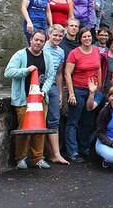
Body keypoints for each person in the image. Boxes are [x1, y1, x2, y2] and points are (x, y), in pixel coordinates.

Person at [4, 30, 56, 169]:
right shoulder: (20, 55)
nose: (38, 43)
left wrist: (44, 91)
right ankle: (20, 158)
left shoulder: (48, 56)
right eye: (36, 40)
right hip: (23, 99)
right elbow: (8, 72)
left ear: (44, 43)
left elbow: (51, 76)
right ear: (31, 39)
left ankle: (37, 158)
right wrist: (26, 70)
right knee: (23, 129)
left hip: (40, 100)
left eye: (41, 41)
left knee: (39, 129)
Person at [64, 28, 101, 162]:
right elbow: (67, 74)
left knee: (87, 121)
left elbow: (98, 68)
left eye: (89, 36)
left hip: (92, 90)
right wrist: (71, 93)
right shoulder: (74, 53)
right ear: (80, 39)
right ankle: (72, 152)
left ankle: (84, 148)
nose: (87, 39)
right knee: (74, 121)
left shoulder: (96, 50)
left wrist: (99, 87)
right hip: (78, 90)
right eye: (84, 37)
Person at [42, 24, 70, 165]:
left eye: (60, 36)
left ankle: (56, 154)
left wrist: (60, 93)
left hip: (53, 87)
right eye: (55, 35)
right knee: (40, 121)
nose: (58, 38)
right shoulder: (42, 47)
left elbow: (59, 73)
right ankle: (45, 154)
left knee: (54, 120)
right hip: (40, 87)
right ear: (49, 35)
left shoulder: (60, 52)